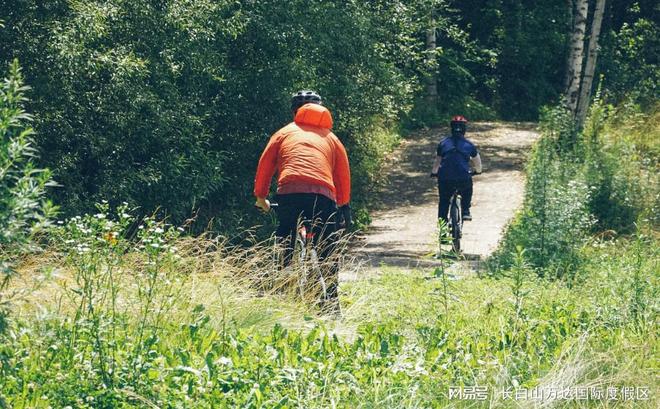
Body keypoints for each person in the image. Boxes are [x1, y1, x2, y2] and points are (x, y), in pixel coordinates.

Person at [254, 90, 351, 312]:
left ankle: (282, 284)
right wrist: (343, 205)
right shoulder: (332, 138)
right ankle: (332, 302)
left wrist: (261, 197)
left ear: (293, 112)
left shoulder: (283, 133)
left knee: (285, 235)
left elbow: (265, 166)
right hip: (322, 195)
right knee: (328, 247)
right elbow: (343, 176)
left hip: (288, 192)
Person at [430, 115, 482, 223]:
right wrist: (478, 171)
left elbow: (437, 161)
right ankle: (466, 211)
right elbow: (477, 161)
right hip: (463, 178)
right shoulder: (469, 145)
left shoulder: (443, 143)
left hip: (445, 179)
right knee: (467, 189)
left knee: (444, 202)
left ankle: (443, 233)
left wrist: (434, 173)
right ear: (464, 129)